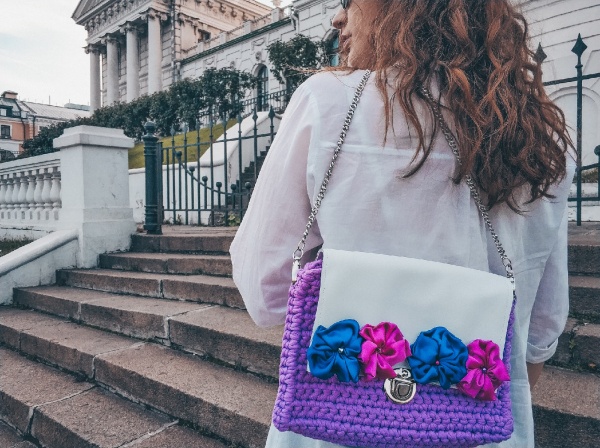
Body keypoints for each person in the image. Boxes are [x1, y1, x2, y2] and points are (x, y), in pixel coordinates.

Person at [230, 0, 575, 446]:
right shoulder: (539, 135)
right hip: (480, 425)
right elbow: (541, 331)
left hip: (337, 421)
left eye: (349, 1)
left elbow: (266, 292)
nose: (338, 17)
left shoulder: (329, 102)